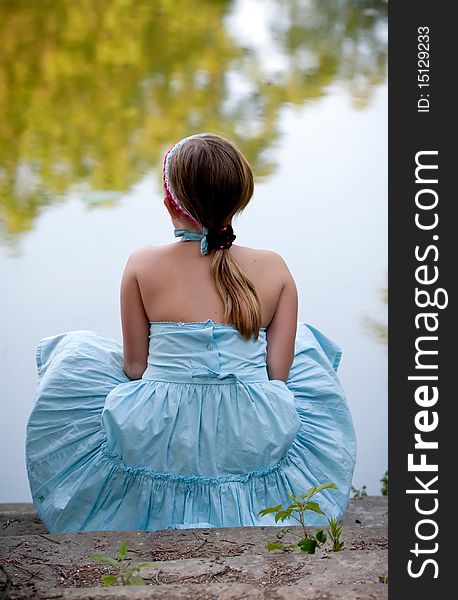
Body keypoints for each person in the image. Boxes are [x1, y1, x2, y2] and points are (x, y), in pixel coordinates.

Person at [26, 133, 356, 533]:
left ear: (169, 202)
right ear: (240, 198)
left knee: (79, 352)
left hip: (159, 432)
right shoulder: (274, 268)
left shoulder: (142, 264)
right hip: (251, 431)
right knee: (306, 343)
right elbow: (278, 376)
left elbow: (134, 367)